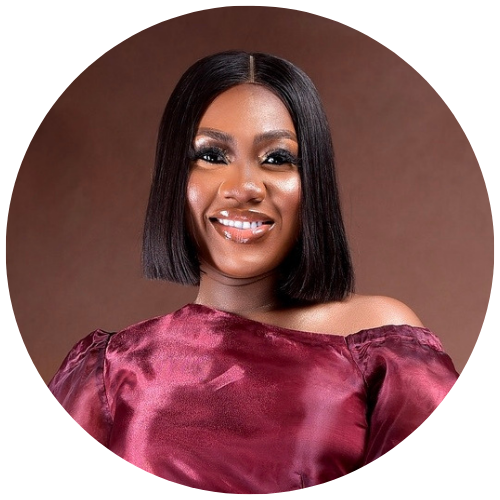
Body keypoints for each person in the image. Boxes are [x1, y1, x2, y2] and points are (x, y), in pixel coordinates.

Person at [48, 51, 459, 493]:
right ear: (173, 178)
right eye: (211, 155)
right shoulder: (108, 370)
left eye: (277, 158)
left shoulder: (379, 345)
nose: (244, 187)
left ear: (313, 183)